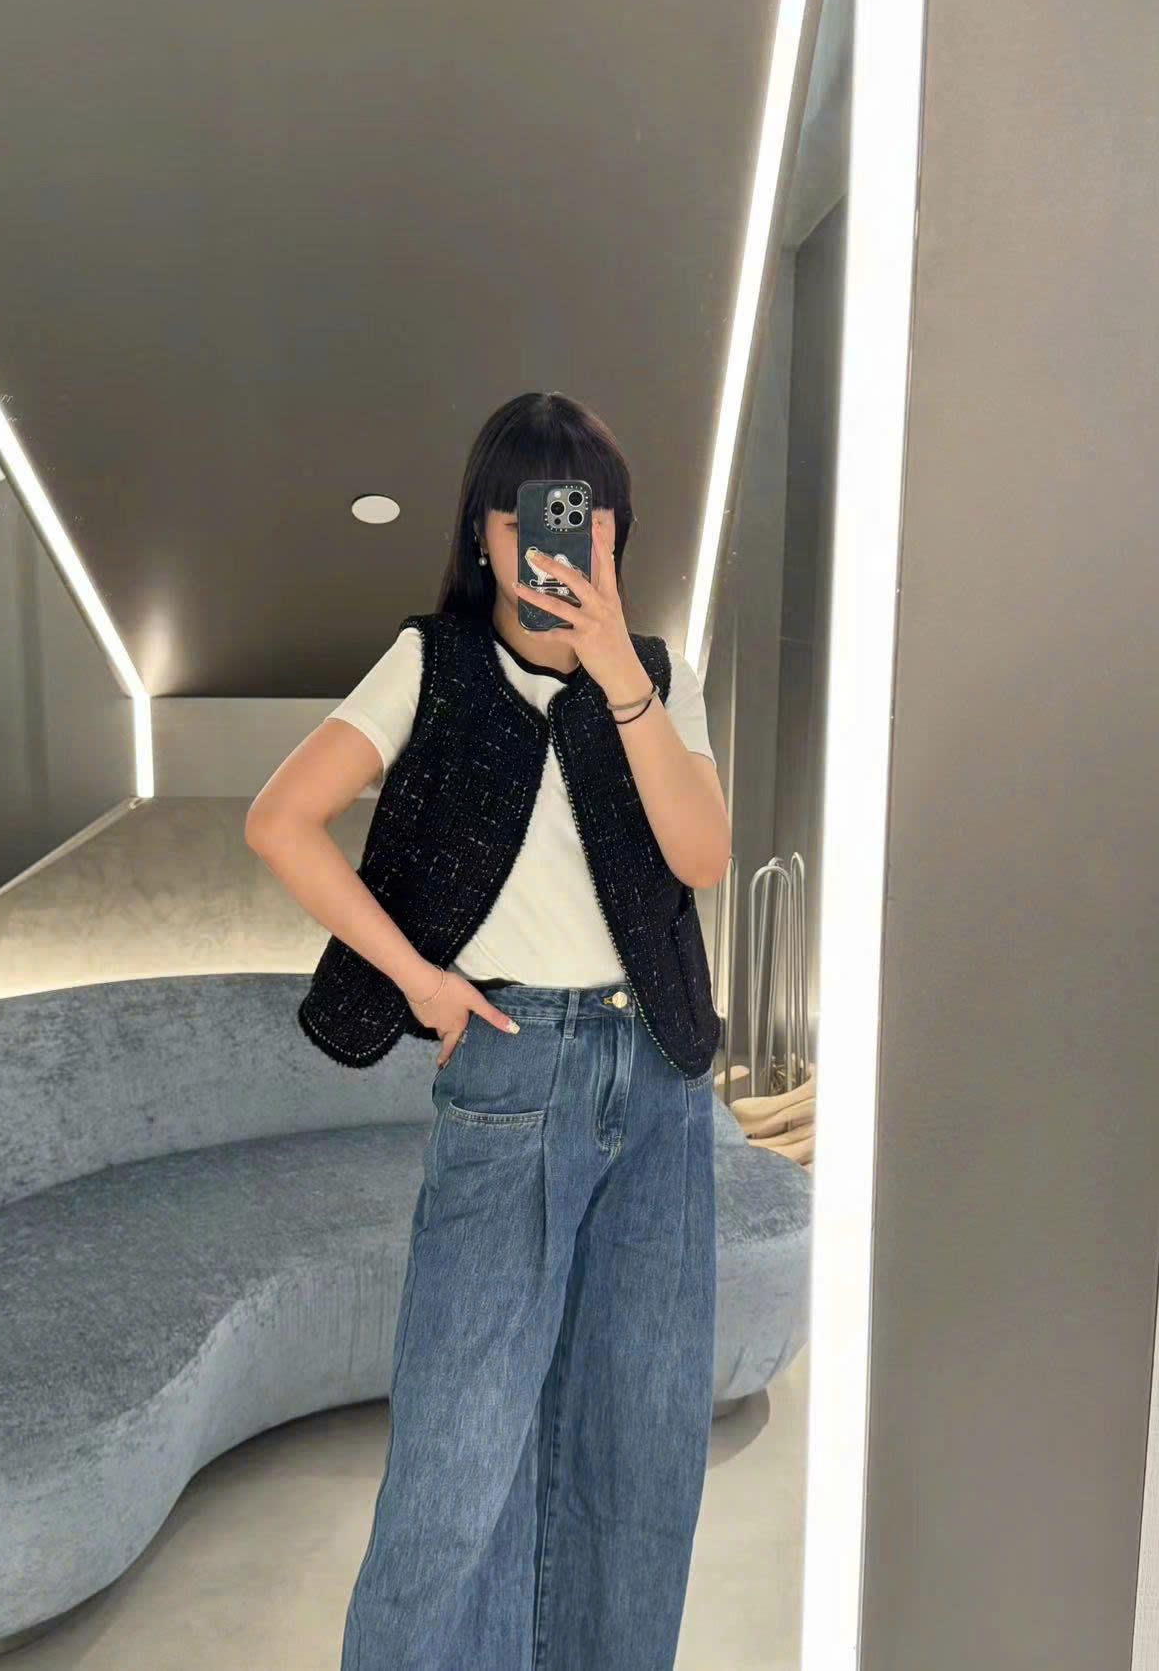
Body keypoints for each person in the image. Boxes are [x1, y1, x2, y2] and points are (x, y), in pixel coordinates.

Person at [246, 390, 731, 1670]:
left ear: (614, 533)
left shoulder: (658, 677)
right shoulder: (433, 663)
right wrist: (417, 977)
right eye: (527, 518)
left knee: (638, 1443)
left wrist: (620, 674)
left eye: (584, 517)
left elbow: (700, 855)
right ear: (482, 533)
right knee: (457, 1453)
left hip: (661, 1081)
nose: (555, 544)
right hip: (515, 1069)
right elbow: (279, 820)